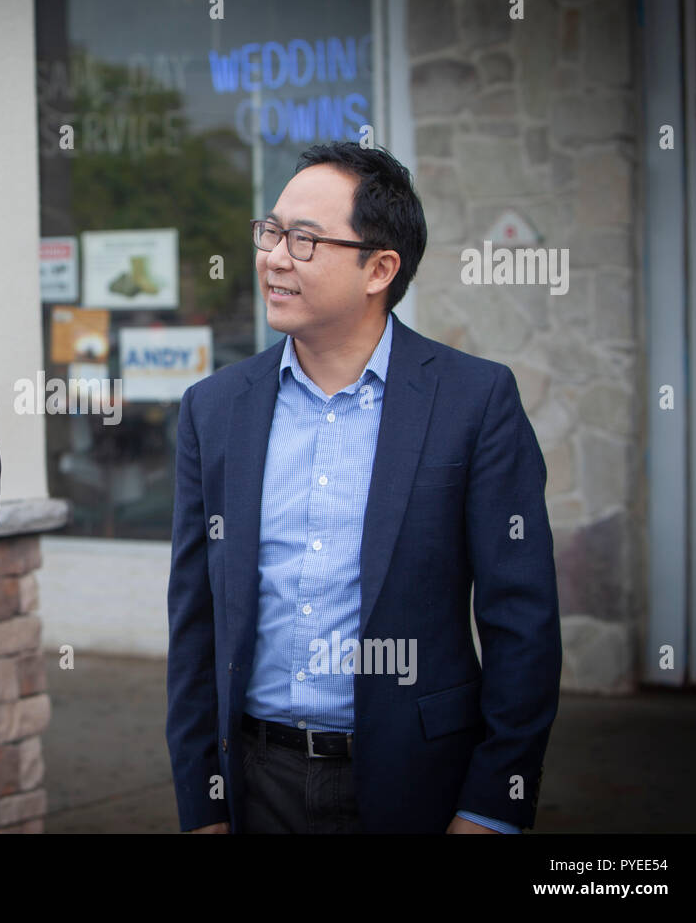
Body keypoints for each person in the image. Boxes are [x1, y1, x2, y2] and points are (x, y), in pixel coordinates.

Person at [165, 142, 561, 834]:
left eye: (306, 239)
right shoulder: (215, 407)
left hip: (419, 784)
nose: (275, 257)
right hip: (259, 783)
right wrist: (204, 803)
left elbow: (522, 624)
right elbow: (196, 623)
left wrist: (493, 808)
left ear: (380, 268)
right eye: (272, 231)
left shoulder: (474, 400)